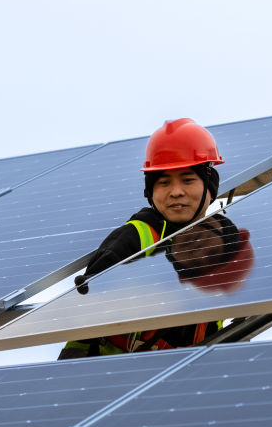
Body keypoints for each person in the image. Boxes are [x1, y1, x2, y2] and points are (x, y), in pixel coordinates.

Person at [58, 118, 244, 358]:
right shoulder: (135, 237)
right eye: (164, 182)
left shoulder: (224, 240)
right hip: (102, 374)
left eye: (188, 179)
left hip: (184, 371)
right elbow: (90, 297)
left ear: (210, 186)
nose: (176, 191)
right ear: (150, 192)